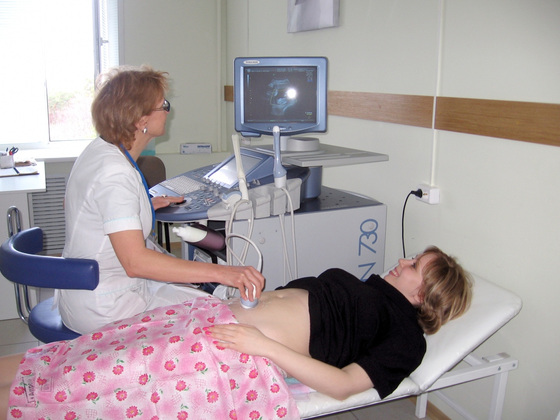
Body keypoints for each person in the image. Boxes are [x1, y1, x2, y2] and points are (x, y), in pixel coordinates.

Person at [0, 247, 471, 419]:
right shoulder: (370, 290)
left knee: (83, 384)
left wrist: (261, 345)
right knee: (86, 352)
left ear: (425, 296)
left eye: (414, 265)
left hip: (230, 356)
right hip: (207, 320)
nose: (402, 260)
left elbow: (345, 384)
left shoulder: (406, 339)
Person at [57, 65, 264, 334]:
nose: (168, 111)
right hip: (106, 308)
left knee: (203, 298)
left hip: (88, 294)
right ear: (140, 120)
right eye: (163, 105)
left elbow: (83, 208)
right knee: (225, 317)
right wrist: (225, 273)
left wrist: (140, 207)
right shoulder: (115, 173)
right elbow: (136, 262)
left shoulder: (98, 150)